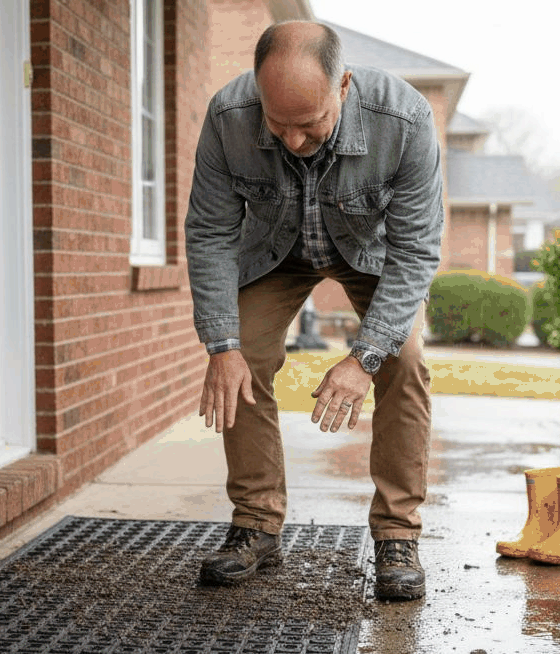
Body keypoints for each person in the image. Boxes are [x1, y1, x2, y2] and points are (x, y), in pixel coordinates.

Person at [185, 20, 443, 600]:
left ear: (343, 86)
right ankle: (256, 523)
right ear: (258, 91)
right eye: (278, 125)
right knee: (242, 357)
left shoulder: (404, 121)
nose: (294, 140)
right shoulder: (229, 117)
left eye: (311, 124)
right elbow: (209, 233)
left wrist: (364, 358)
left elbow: (415, 250)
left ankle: (397, 533)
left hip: (368, 254)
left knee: (403, 359)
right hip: (273, 251)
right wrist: (220, 344)